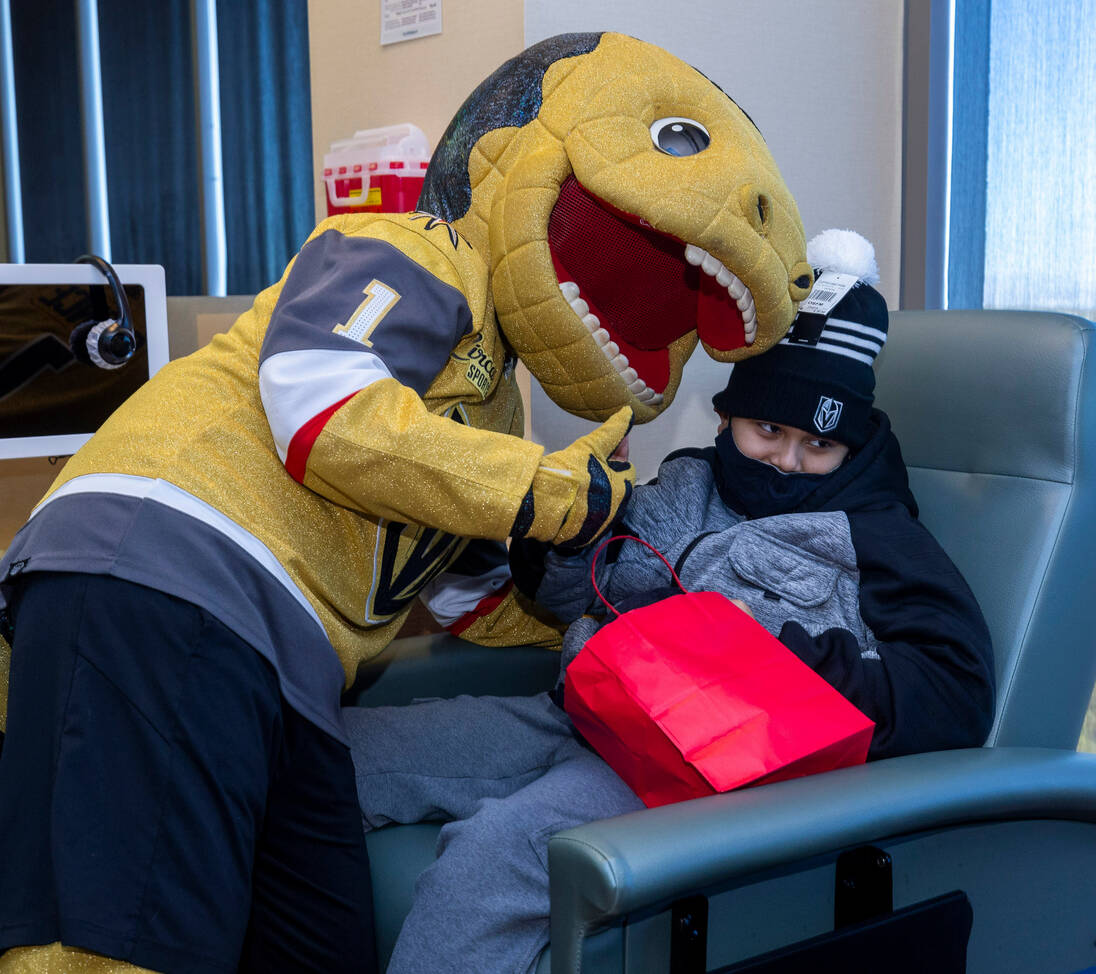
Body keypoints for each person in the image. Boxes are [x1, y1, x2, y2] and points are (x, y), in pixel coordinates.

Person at [0, 33, 815, 974]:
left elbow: (466, 587)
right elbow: (319, 400)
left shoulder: (492, 406)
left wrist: (609, 642)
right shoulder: (412, 250)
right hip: (170, 572)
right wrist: (541, 490)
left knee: (319, 942)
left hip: (274, 651)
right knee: (126, 944)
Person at [343, 229, 996, 974]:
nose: (787, 461)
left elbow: (956, 689)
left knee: (496, 854)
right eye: (767, 431)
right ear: (727, 418)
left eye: (818, 448)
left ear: (855, 445)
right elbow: (569, 595)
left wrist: (768, 656)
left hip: (685, 770)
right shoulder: (690, 483)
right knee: (334, 752)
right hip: (582, 710)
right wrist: (569, 530)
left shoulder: (878, 535)